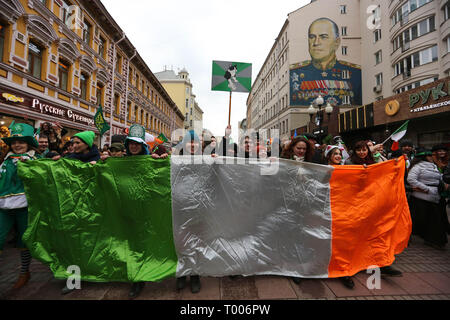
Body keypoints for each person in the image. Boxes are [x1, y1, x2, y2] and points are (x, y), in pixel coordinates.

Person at [290, 17, 362, 107]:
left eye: (323, 37)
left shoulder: (356, 73)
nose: (316, 42)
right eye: (312, 37)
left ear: (337, 42)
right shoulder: (294, 72)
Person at [0, 123, 38, 290]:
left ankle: (24, 272)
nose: (17, 145)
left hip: (25, 208)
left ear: (28, 144)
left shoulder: (34, 161)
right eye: (14, 142)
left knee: (24, 240)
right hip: (3, 207)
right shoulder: (4, 161)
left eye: (21, 142)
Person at [175, 130, 202, 293]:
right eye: (189, 141)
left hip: (199, 208)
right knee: (180, 242)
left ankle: (195, 275)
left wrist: (216, 162)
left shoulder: (205, 160)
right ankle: (181, 274)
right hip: (179, 207)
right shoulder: (175, 160)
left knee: (197, 241)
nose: (192, 144)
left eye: (195, 142)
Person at [407, 148, 448, 250]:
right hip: (420, 198)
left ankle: (433, 240)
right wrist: (425, 188)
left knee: (433, 220)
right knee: (420, 219)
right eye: (430, 156)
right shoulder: (417, 167)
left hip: (434, 196)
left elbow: (440, 178)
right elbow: (411, 179)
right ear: (424, 157)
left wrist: (442, 185)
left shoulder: (434, 166)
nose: (432, 157)